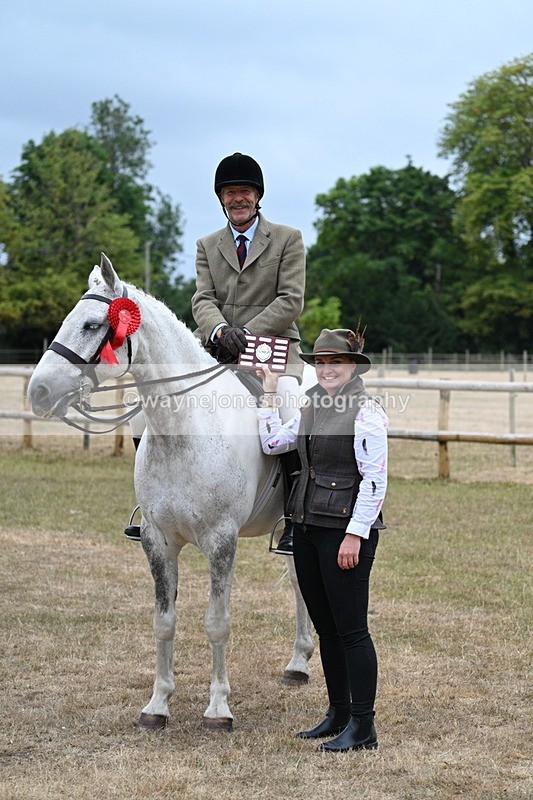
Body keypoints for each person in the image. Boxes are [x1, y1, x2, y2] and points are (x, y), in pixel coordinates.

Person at [257, 328, 388, 753]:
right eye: (321, 362)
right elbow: (274, 442)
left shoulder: (367, 411)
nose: (327, 369)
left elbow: (375, 479)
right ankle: (338, 713)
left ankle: (363, 726)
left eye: (336, 362)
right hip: (308, 528)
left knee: (352, 631)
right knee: (327, 629)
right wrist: (269, 394)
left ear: (352, 367)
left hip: (345, 532)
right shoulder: (311, 403)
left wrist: (355, 534)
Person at [191, 151, 307, 554]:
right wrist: (221, 330)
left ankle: (295, 516)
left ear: (257, 196)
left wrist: (248, 332)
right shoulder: (207, 245)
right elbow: (202, 298)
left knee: (290, 405)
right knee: (157, 406)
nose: (237, 198)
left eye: (244, 191)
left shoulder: (288, 239)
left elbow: (291, 300)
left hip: (273, 345)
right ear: (221, 197)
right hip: (219, 346)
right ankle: (154, 504)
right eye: (230, 192)